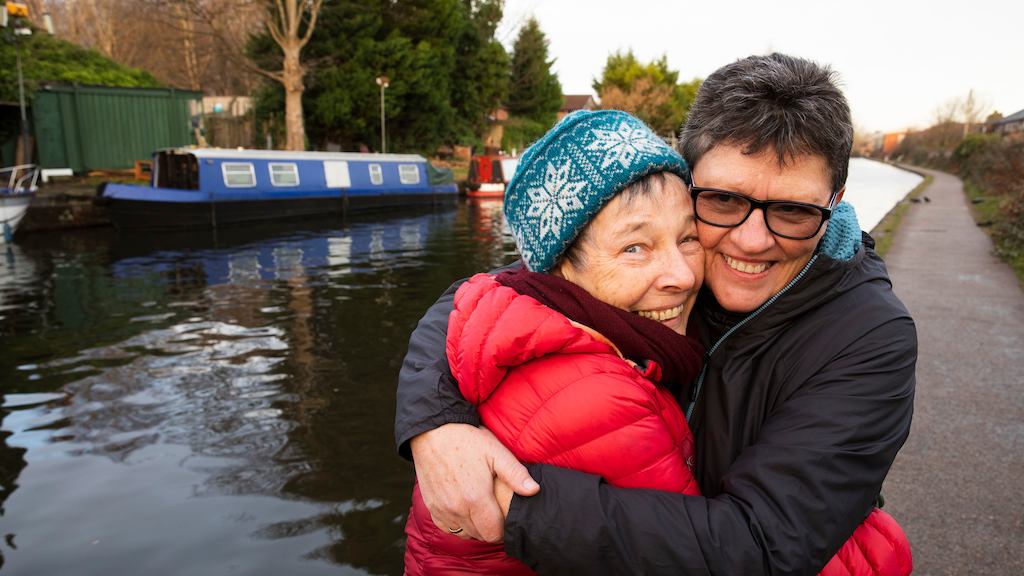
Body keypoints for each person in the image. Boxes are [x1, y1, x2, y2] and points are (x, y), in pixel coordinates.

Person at [396, 53, 916, 574]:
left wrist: (508, 505)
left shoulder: (869, 337)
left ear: (836, 200)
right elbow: (486, 297)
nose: (752, 241)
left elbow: (764, 547)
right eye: (723, 200)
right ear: (688, 181)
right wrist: (436, 426)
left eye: (795, 211)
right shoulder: (674, 256)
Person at [404, 109, 706, 574]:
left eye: (688, 238)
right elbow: (701, 559)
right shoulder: (594, 392)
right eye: (634, 247)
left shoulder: (555, 327)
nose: (683, 275)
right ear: (561, 268)